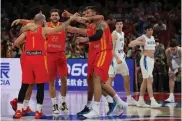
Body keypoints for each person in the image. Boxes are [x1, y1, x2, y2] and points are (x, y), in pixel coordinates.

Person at [13, 13, 78, 119]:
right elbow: (59, 28)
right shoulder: (43, 30)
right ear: (43, 21)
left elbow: (16, 42)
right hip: (39, 58)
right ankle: (38, 112)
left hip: (27, 58)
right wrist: (70, 19)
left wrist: (25, 46)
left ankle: (19, 110)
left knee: (25, 85)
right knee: (40, 86)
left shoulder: (27, 31)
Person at [77, 6, 127, 118]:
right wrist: (70, 18)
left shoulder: (101, 22)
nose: (86, 15)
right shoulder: (92, 25)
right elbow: (81, 21)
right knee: (98, 82)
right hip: (97, 53)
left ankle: (95, 109)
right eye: (85, 13)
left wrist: (86, 39)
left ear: (94, 13)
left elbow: (98, 35)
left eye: (88, 12)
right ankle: (119, 102)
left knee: (96, 79)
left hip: (104, 52)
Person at [128, 24, 161, 108]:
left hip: (151, 61)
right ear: (145, 30)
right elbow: (131, 44)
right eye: (149, 30)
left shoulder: (153, 38)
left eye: (151, 30)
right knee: (150, 80)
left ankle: (140, 100)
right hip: (145, 60)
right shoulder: (143, 37)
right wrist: (140, 43)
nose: (151, 31)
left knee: (145, 81)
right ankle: (152, 101)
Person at [106, 20, 137, 106]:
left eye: (121, 24)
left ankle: (129, 99)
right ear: (115, 25)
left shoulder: (122, 33)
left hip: (121, 59)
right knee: (110, 79)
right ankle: (108, 98)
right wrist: (116, 58)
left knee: (127, 77)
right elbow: (110, 49)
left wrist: (122, 52)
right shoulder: (114, 34)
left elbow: (119, 46)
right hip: (115, 60)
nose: (119, 25)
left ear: (122, 25)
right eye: (118, 24)